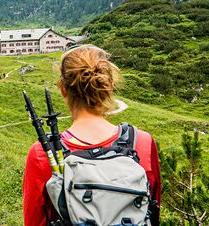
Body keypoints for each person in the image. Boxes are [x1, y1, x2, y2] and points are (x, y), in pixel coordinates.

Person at [22, 44, 161, 226]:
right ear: (109, 85)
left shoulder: (42, 154)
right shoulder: (141, 142)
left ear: (63, 89)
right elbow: (152, 211)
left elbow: (34, 222)